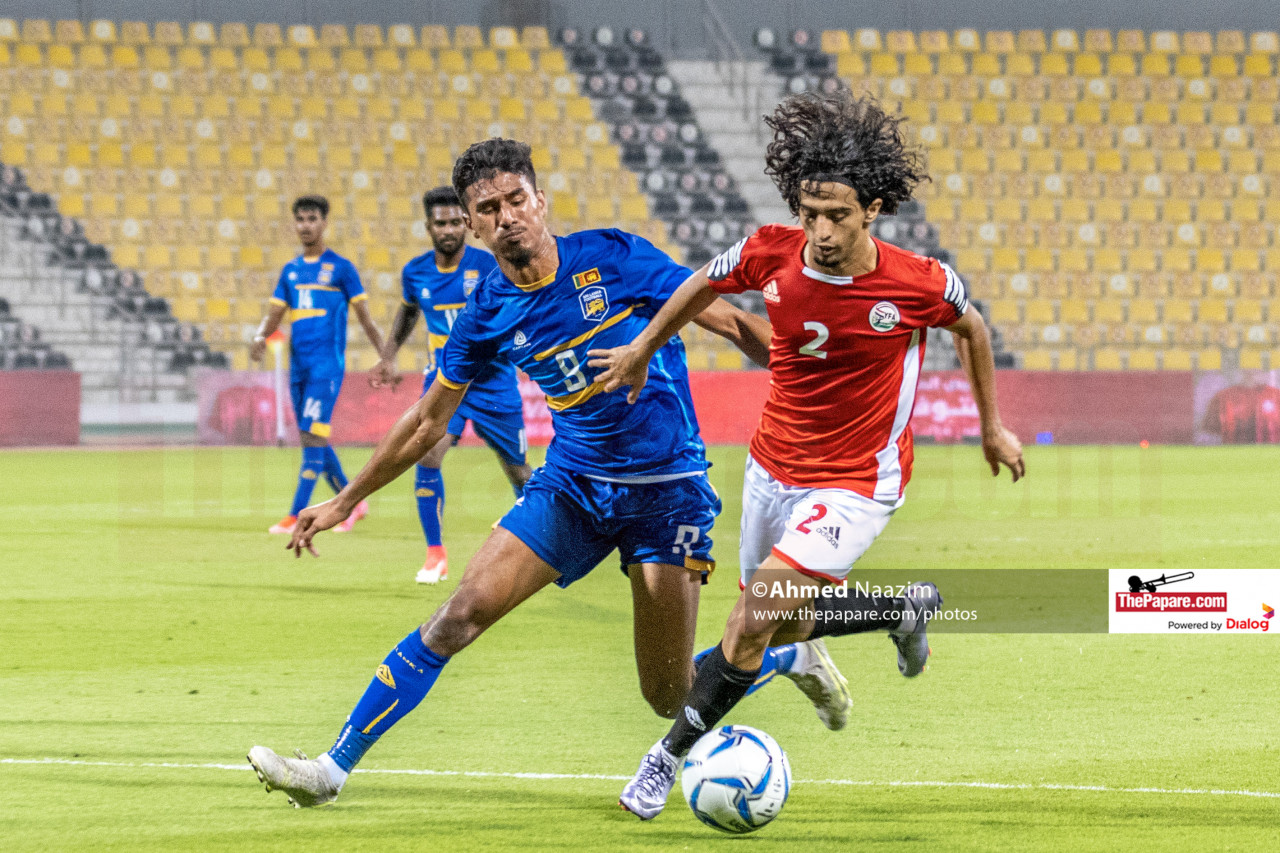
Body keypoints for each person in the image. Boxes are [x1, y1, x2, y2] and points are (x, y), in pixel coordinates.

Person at [247, 139, 847, 808]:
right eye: (488, 208)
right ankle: (331, 769)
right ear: (473, 225)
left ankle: (788, 655)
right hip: (572, 486)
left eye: (516, 200)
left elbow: (733, 320)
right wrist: (346, 498)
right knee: (460, 612)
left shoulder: (616, 258)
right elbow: (426, 421)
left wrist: (821, 391)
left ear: (541, 201)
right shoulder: (486, 315)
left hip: (665, 490)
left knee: (667, 695)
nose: (507, 217)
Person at [587, 92, 1027, 819]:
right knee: (780, 625)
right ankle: (899, 607)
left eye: (838, 217)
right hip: (773, 468)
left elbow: (972, 327)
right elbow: (700, 282)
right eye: (810, 213)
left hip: (859, 480)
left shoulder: (916, 282)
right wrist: (642, 347)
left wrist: (992, 426)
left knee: (750, 623)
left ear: (873, 208)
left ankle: (663, 759)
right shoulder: (771, 250)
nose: (820, 231)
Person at [371, 186, 532, 584]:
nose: (447, 230)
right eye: (439, 223)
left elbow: (516, 311)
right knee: (427, 455)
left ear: (467, 223)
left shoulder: (491, 265)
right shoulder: (415, 271)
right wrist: (388, 356)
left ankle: (540, 542)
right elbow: (408, 312)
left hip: (494, 383)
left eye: (455, 222)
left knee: (520, 473)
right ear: (428, 227)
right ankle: (435, 554)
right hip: (444, 383)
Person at [252, 195, 386, 535]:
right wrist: (259, 338)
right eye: (300, 219)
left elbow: (366, 319)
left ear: (324, 223)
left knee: (312, 437)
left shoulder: (340, 268)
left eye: (312, 218)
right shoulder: (291, 271)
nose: (305, 225)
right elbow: (275, 314)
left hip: (326, 366)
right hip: (299, 367)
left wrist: (386, 355)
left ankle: (296, 514)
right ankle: (354, 503)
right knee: (313, 438)